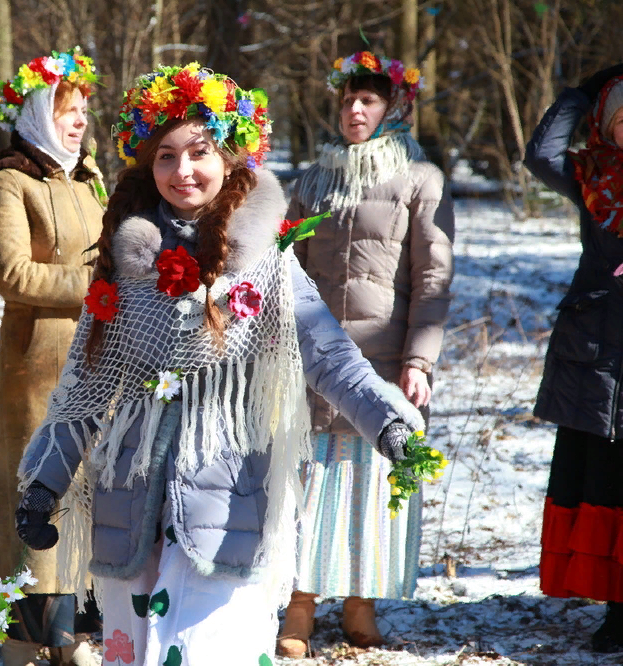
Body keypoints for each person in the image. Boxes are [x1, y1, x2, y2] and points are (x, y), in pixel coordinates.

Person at [11, 63, 427, 665]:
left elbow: (330, 355)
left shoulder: (268, 263)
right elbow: (84, 386)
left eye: (198, 152)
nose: (182, 171)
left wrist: (389, 422)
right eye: (165, 156)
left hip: (227, 498)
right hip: (131, 502)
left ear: (229, 156)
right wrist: (43, 485)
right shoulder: (127, 268)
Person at [275, 51, 455, 656]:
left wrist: (419, 361)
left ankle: (360, 603)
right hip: (314, 357)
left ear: (393, 105)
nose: (356, 110)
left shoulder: (420, 179)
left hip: (384, 360)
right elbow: (284, 268)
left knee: (369, 484)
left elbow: (433, 278)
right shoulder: (313, 178)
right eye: (349, 99)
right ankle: (298, 606)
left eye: (369, 100)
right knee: (307, 479)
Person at [0, 47, 105, 666]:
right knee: (36, 498)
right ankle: (24, 641)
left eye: (83, 110)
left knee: (85, 497)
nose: (79, 121)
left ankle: (75, 634)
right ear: (35, 114)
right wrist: (97, 288)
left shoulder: (88, 178)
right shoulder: (11, 179)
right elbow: (11, 272)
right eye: (67, 110)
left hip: (100, 363)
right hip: (39, 367)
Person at [524, 62, 623, 653]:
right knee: (608, 485)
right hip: (600, 351)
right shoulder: (592, 179)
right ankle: (617, 612)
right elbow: (541, 155)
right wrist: (581, 95)